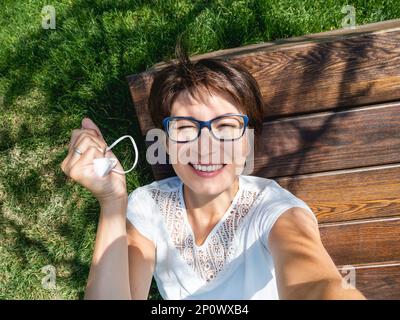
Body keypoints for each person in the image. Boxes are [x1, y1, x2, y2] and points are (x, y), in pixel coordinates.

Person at [60, 41, 366, 300]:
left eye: (225, 127)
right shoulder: (147, 206)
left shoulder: (275, 210)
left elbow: (318, 283)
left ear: (248, 140)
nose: (206, 146)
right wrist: (112, 203)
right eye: (185, 128)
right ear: (165, 142)